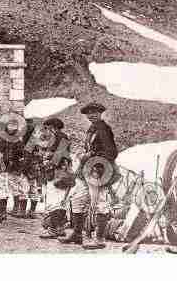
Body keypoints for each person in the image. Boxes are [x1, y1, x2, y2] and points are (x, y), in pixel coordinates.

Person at [60, 102, 118, 249]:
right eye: (89, 113)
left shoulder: (104, 129)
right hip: (87, 170)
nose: (92, 115)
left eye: (95, 112)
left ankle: (99, 239)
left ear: (100, 113)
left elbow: (111, 153)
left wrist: (91, 155)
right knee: (78, 199)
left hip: (99, 171)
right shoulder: (91, 129)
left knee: (100, 203)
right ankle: (78, 234)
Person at [37, 118, 73, 239]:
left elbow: (59, 156)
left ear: (53, 127)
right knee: (60, 201)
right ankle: (59, 228)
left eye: (48, 127)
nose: (47, 130)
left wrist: (48, 158)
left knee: (55, 201)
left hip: (58, 172)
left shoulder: (60, 137)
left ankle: (53, 230)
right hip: (60, 170)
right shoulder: (60, 137)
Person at [0, 121, 25, 217]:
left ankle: (16, 208)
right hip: (6, 166)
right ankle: (7, 209)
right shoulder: (3, 140)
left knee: (13, 186)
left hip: (14, 166)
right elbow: (1, 153)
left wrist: (17, 165)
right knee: (6, 186)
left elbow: (21, 155)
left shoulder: (18, 141)